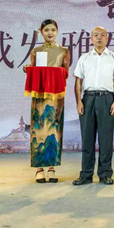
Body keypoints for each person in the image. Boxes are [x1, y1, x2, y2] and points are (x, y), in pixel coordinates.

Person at [23, 20, 70, 183]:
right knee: (38, 129)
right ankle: (39, 169)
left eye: (53, 30)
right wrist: (28, 69)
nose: (50, 33)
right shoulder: (36, 51)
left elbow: (65, 73)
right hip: (40, 96)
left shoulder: (64, 51)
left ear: (57, 31)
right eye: (46, 30)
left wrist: (53, 72)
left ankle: (51, 168)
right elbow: (34, 70)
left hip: (56, 97)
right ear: (41, 32)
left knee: (54, 131)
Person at [72, 27, 114, 186]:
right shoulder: (84, 58)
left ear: (107, 38)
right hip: (88, 99)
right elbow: (78, 81)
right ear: (91, 39)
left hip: (107, 99)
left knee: (106, 139)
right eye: (96, 35)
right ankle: (86, 174)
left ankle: (105, 174)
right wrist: (79, 102)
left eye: (102, 35)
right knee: (87, 139)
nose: (99, 38)